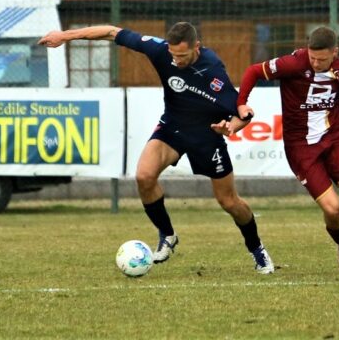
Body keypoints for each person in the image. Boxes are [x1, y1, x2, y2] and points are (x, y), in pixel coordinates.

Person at [38, 22, 275, 274]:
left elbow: (241, 113)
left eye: (182, 56)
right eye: (174, 55)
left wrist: (230, 127)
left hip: (207, 137)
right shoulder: (160, 50)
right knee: (144, 176)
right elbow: (111, 32)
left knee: (229, 202)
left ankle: (257, 249)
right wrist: (64, 36)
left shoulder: (213, 70)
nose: (177, 61)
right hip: (172, 127)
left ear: (197, 47)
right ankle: (168, 235)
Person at [232, 26, 339, 274]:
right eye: (313, 57)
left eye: (322, 59)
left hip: (336, 138)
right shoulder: (293, 64)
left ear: (335, 52)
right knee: (332, 209)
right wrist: (241, 104)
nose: (316, 63)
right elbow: (253, 71)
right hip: (301, 147)